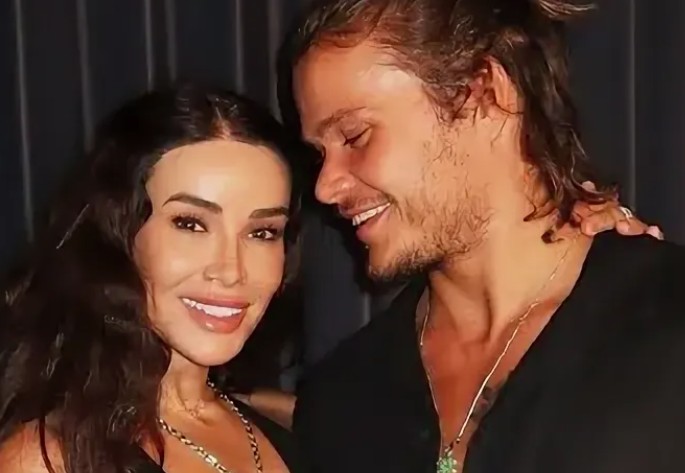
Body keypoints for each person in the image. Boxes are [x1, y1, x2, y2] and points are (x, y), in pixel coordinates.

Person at [280, 0, 683, 472]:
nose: (325, 187)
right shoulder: (340, 400)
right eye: (319, 154)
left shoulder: (664, 328)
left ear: (485, 94)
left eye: (355, 136)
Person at [0, 85, 304, 473]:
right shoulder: (48, 460)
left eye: (262, 232)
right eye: (190, 224)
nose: (231, 270)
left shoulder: (286, 433)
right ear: (119, 234)